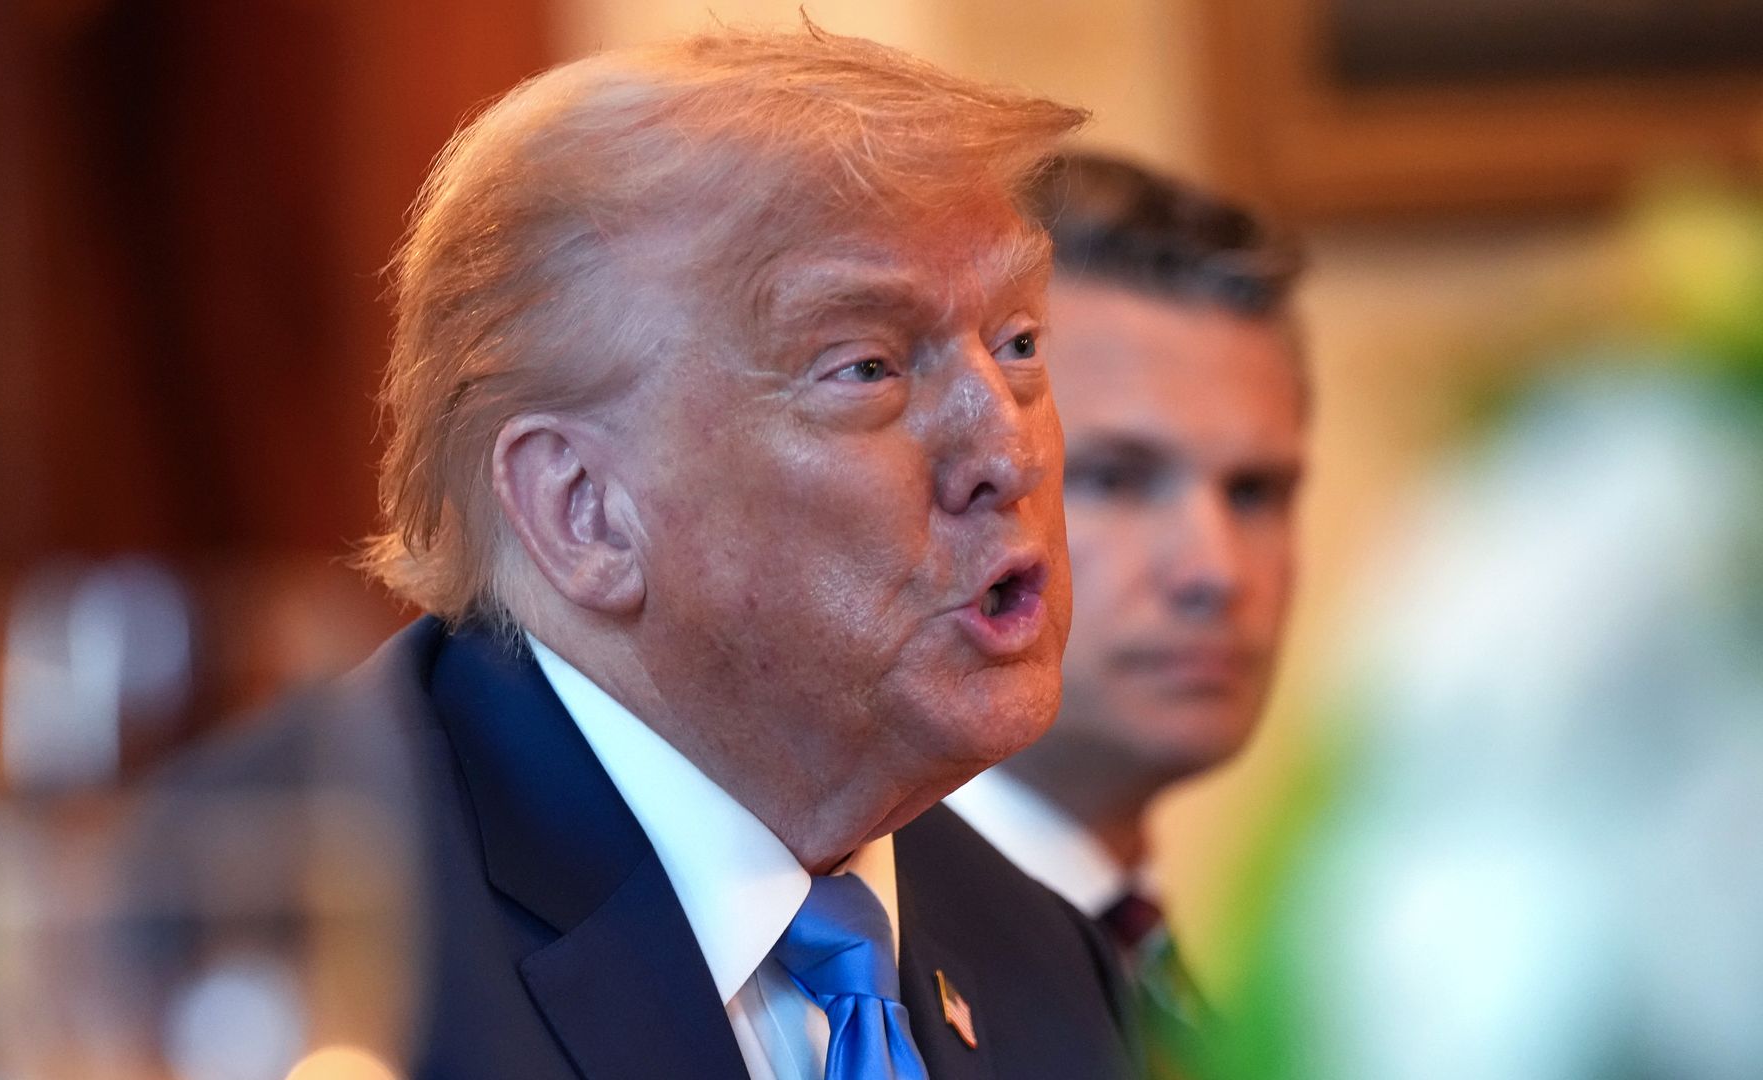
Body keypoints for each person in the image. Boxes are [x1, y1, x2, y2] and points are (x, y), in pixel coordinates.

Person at [125, 28, 1140, 1080]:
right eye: (867, 366)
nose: (1010, 449)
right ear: (585, 513)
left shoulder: (1045, 967)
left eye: (1018, 343)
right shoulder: (262, 926)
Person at [945, 153, 1306, 1069]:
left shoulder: (1154, 948)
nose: (1215, 570)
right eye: (1118, 478)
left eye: (1257, 492)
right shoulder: (862, 976)